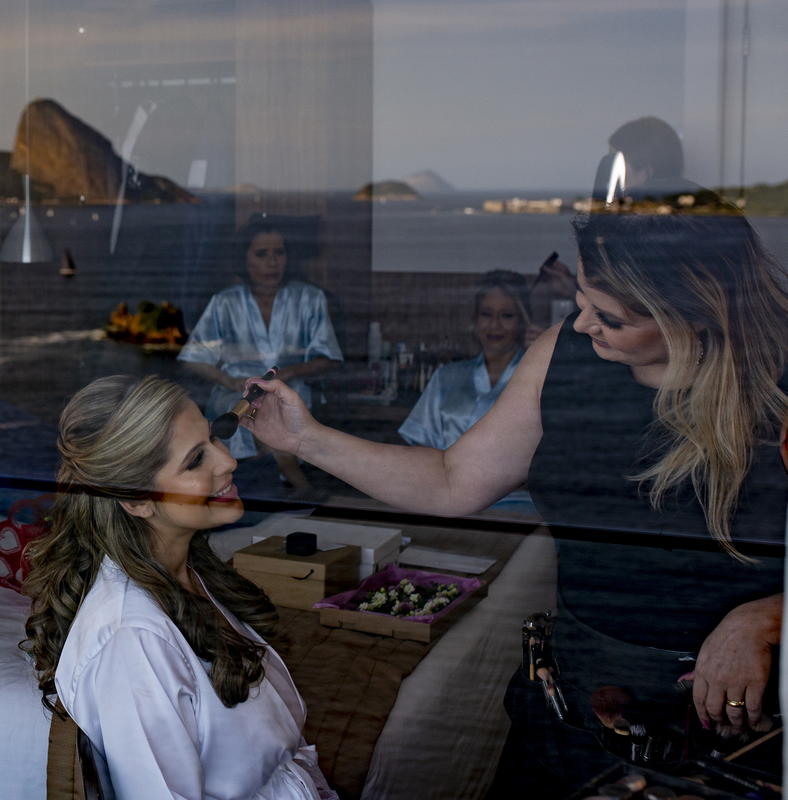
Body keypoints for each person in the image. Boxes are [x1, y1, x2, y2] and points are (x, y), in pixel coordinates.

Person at [239, 212, 788, 793]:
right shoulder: (564, 353)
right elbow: (452, 480)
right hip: (576, 697)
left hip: (729, 723)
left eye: (611, 318)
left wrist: (767, 615)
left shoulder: (777, 384)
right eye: (579, 299)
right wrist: (306, 439)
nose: (581, 325)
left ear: (694, 317)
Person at [23, 375, 336, 800]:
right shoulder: (132, 642)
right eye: (194, 462)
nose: (228, 463)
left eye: (213, 439)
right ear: (135, 501)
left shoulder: (187, 573)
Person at [178, 218, 342, 491]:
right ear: (244, 258)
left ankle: (271, 488)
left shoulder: (309, 298)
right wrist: (230, 381)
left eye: (279, 253)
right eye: (261, 254)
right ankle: (296, 484)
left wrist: (289, 373)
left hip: (290, 393)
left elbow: (330, 358)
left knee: (267, 408)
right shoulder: (224, 301)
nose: (272, 262)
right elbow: (193, 356)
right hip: (235, 394)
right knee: (246, 408)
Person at [399, 270, 537, 514]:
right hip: (445, 505)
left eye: (507, 315)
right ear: (475, 319)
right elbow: (422, 451)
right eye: (486, 314)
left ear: (523, 320)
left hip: (517, 509)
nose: (495, 325)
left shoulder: (538, 378)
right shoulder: (448, 377)